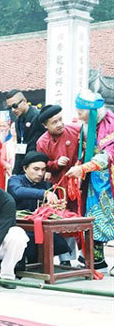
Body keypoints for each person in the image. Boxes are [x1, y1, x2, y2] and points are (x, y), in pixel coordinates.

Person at [66, 90, 114, 270]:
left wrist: (83, 168)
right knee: (93, 218)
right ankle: (96, 259)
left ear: (91, 112)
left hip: (109, 180)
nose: (78, 116)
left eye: (80, 112)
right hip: (93, 182)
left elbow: (108, 156)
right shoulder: (86, 125)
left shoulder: (111, 125)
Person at [7, 151, 73, 265]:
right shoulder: (15, 180)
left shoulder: (46, 184)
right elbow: (17, 192)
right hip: (19, 226)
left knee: (59, 239)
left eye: (43, 170)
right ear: (25, 168)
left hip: (39, 226)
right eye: (36, 169)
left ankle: (62, 262)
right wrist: (45, 194)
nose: (40, 173)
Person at [36, 104, 80, 209]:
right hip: (58, 182)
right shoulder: (42, 142)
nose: (60, 124)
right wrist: (56, 163)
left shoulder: (76, 130)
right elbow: (43, 166)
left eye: (60, 120)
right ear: (45, 125)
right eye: (54, 122)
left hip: (79, 179)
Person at [5, 89, 45, 175]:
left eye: (15, 106)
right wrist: (15, 173)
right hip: (25, 165)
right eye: (10, 107)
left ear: (24, 101)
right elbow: (20, 149)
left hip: (39, 167)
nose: (13, 110)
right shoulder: (18, 121)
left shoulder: (38, 117)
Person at [0, 117, 15, 190]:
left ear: (8, 127)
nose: (2, 128)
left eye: (4, 126)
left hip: (9, 168)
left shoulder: (12, 138)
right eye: (0, 126)